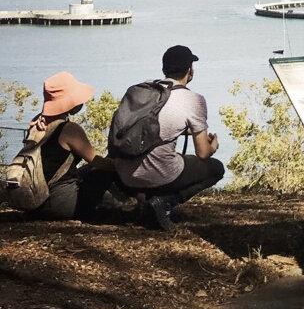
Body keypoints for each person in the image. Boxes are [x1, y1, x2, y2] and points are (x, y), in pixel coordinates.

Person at [113, 45, 225, 229]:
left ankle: (142, 200)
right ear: (190, 70)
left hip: (124, 173)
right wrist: (213, 145)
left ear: (164, 69)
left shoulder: (141, 92)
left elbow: (152, 127)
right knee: (215, 168)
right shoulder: (194, 100)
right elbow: (203, 153)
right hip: (157, 174)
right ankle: (165, 201)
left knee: (167, 158)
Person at [26, 72, 117, 220]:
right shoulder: (69, 129)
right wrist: (125, 166)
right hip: (61, 204)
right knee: (104, 171)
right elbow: (97, 162)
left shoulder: (36, 123)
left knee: (88, 169)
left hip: (35, 202)